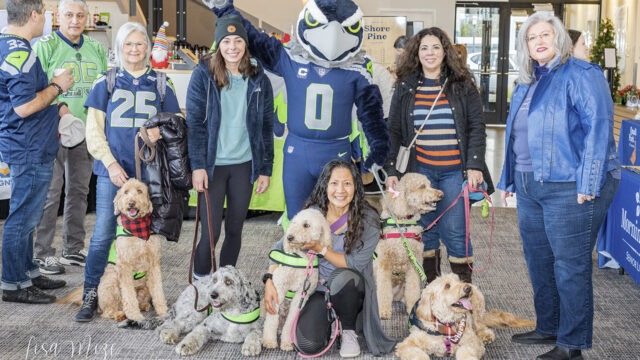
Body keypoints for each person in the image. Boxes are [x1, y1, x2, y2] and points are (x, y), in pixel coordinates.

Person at [497, 13, 620, 360]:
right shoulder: (526, 80)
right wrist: (510, 179)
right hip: (528, 184)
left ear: (560, 38)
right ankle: (548, 326)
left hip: (571, 186)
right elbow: (516, 134)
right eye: (531, 37)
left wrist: (589, 181)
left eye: (545, 34)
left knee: (570, 265)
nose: (538, 41)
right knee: (538, 259)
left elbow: (598, 128)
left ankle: (571, 344)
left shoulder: (583, 74)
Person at [75, 21, 181, 321]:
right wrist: (110, 163)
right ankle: (91, 294)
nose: (134, 50)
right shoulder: (105, 81)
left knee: (149, 237)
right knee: (103, 234)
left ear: (147, 48)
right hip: (114, 173)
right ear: (119, 48)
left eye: (140, 44)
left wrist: (163, 132)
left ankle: (145, 293)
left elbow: (175, 124)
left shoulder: (161, 82)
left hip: (149, 175)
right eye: (128, 44)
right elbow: (93, 130)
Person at [384, 27, 494, 284]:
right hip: (419, 173)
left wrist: (475, 165)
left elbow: (477, 126)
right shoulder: (405, 86)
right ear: (416, 53)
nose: (430, 53)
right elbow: (394, 131)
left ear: (445, 51)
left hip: (455, 173)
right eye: (424, 48)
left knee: (456, 232)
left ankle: (462, 292)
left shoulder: (462, 85)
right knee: (425, 232)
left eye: (435, 47)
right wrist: (392, 170)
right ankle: (432, 291)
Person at [263, 159, 395, 357]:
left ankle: (349, 329)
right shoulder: (313, 213)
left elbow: (356, 264)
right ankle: (328, 322)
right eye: (334, 183)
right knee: (307, 345)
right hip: (316, 289)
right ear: (325, 185)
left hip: (351, 289)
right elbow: (280, 247)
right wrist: (269, 280)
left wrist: (321, 249)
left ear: (356, 186)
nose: (340, 190)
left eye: (347, 183)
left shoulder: (368, 219)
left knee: (346, 277)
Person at [186, 15, 274, 274]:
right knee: (209, 234)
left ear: (246, 44)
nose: (232, 46)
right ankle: (202, 285)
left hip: (244, 166)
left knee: (235, 229)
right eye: (226, 41)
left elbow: (266, 126)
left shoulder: (259, 78)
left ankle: (225, 283)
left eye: (238, 40)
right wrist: (198, 165)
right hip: (213, 167)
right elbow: (195, 124)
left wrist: (265, 168)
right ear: (218, 44)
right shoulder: (203, 74)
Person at [0, 0, 75, 304]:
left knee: (28, 216)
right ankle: (15, 283)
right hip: (28, 145)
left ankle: (28, 271)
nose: (47, 18)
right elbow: (24, 106)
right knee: (22, 217)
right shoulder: (19, 52)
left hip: (29, 143)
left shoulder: (10, 46)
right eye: (45, 13)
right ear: (33, 15)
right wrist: (57, 86)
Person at [32, 0, 107, 275]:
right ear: (58, 17)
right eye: (69, 15)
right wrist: (59, 107)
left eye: (79, 15)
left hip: (85, 131)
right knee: (50, 192)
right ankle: (41, 253)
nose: (74, 20)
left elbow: (103, 88)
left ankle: (73, 248)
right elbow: (35, 87)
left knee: (79, 191)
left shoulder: (96, 48)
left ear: (86, 18)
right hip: (52, 129)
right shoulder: (45, 46)